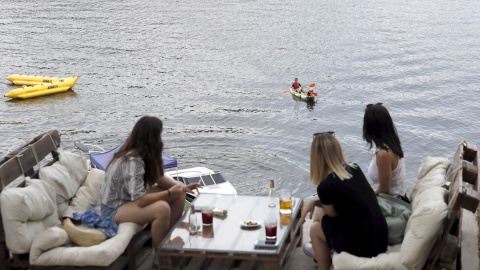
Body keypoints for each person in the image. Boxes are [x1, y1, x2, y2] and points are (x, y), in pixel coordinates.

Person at [100, 116, 201, 257]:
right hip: (114, 209)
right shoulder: (132, 161)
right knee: (162, 208)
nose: (161, 138)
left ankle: (168, 240)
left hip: (129, 200)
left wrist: (181, 188)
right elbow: (140, 200)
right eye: (160, 134)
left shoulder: (142, 154)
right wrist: (169, 193)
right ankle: (160, 255)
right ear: (152, 137)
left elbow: (159, 178)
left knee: (179, 192)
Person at [301, 132, 388, 270]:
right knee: (322, 211)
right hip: (379, 239)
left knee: (315, 228)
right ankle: (327, 252)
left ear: (317, 158)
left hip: (362, 248)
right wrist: (315, 202)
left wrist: (315, 203)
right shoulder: (354, 168)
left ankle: (323, 264)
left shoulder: (326, 186)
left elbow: (331, 215)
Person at [363, 103, 408, 200]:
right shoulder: (392, 145)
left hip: (391, 205)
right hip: (396, 199)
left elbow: (385, 191)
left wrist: (365, 198)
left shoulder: (384, 154)